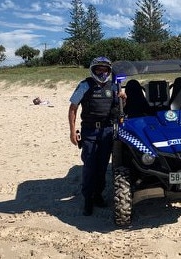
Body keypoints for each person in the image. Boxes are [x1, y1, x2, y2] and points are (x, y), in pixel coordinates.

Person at [68, 56, 127, 216]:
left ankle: (98, 195)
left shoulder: (114, 86)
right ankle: (88, 198)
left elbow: (119, 109)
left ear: (109, 71)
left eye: (105, 69)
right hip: (89, 131)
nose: (102, 72)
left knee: (102, 167)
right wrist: (72, 131)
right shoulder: (85, 85)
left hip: (107, 131)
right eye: (98, 69)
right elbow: (73, 108)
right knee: (89, 166)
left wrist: (123, 99)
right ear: (93, 70)